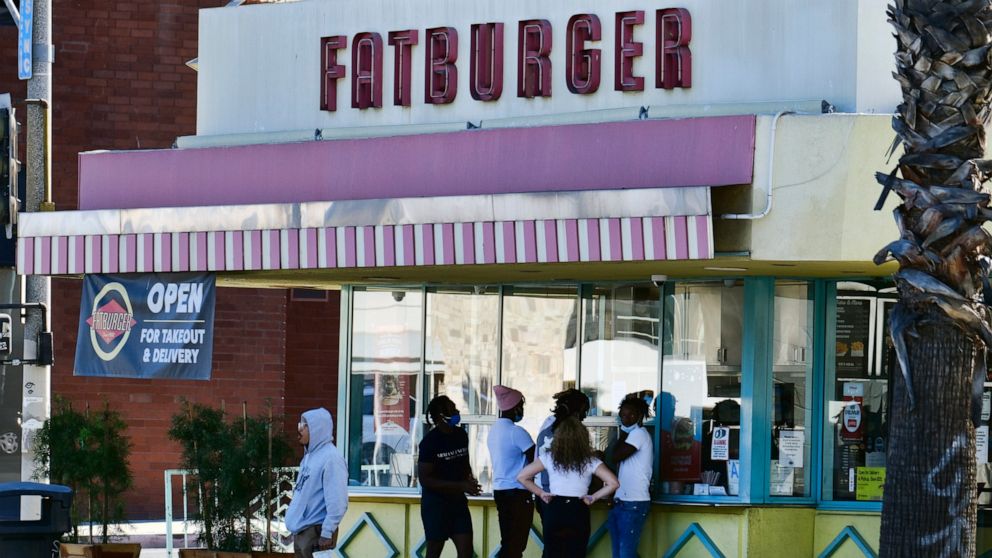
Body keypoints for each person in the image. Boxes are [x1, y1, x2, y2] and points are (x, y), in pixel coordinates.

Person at [517, 415, 619, 558]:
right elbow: (614, 483)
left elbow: (522, 477)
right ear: (583, 438)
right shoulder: (590, 460)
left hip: (555, 508)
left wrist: (541, 493)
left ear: (558, 437)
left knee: (552, 553)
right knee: (576, 553)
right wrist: (593, 497)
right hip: (578, 509)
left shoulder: (549, 457)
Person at [418, 395, 482, 558]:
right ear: (441, 416)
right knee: (434, 551)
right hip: (436, 506)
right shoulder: (429, 442)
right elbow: (425, 480)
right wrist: (461, 486)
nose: (457, 412)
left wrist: (469, 480)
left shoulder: (460, 434)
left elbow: (464, 463)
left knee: (466, 551)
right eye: (452, 410)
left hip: (458, 504)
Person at [285, 407, 348, 558]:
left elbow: (338, 501)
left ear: (317, 428)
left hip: (316, 534)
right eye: (299, 425)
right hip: (301, 532)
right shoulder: (309, 457)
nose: (300, 430)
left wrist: (327, 532)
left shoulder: (331, 458)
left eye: (305, 426)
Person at [487, 385, 536, 558]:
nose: (522, 410)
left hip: (501, 491)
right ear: (515, 407)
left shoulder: (493, 431)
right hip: (518, 493)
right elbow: (537, 460)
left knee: (508, 542)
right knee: (516, 545)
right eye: (521, 406)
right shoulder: (516, 432)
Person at [607, 395, 654, 558]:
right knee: (620, 552)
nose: (625, 419)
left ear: (640, 416)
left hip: (633, 502)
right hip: (622, 500)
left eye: (630, 415)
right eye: (623, 415)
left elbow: (615, 456)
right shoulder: (633, 434)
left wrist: (623, 433)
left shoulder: (639, 434)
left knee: (625, 552)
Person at [534, 388, 591, 508]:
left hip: (542, 491)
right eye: (584, 411)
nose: (585, 416)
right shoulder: (569, 430)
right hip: (561, 494)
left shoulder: (548, 423)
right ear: (577, 410)